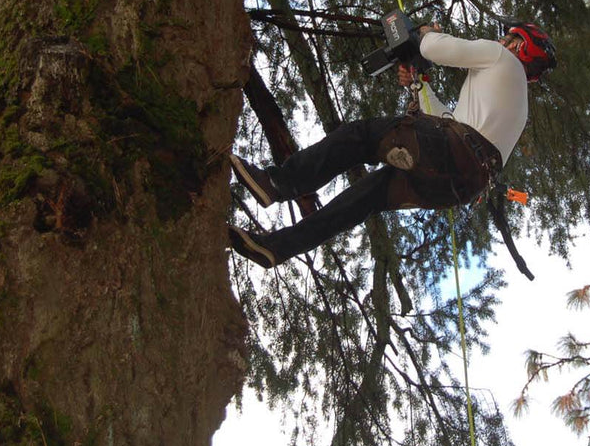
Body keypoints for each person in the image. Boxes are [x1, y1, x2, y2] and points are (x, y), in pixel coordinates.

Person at [228, 22, 556, 268]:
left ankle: (277, 183)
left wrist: (424, 33)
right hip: (456, 186)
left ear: (518, 45)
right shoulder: (515, 108)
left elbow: (432, 48)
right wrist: (419, 84)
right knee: (360, 201)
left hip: (447, 152)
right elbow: (449, 124)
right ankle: (276, 248)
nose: (501, 41)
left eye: (508, 38)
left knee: (361, 135)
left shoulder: (500, 57)